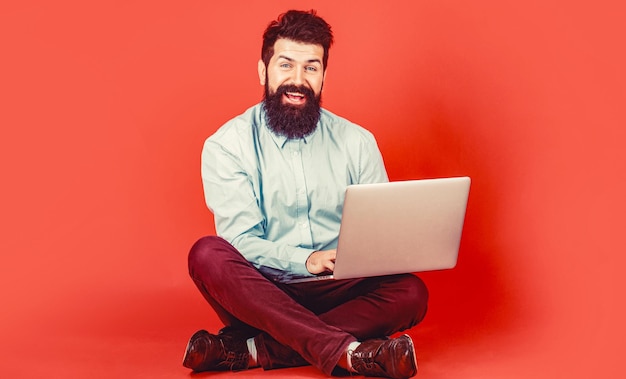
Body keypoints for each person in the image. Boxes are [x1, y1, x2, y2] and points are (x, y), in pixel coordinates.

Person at [182, 9, 429, 379]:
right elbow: (242, 241)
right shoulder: (226, 146)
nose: (297, 80)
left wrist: (385, 249)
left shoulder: (357, 142)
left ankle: (247, 351)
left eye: (311, 68)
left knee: (411, 291)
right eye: (286, 65)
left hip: (338, 288)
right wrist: (306, 260)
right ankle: (350, 352)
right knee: (207, 255)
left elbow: (380, 233)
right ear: (264, 71)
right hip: (263, 291)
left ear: (324, 75)